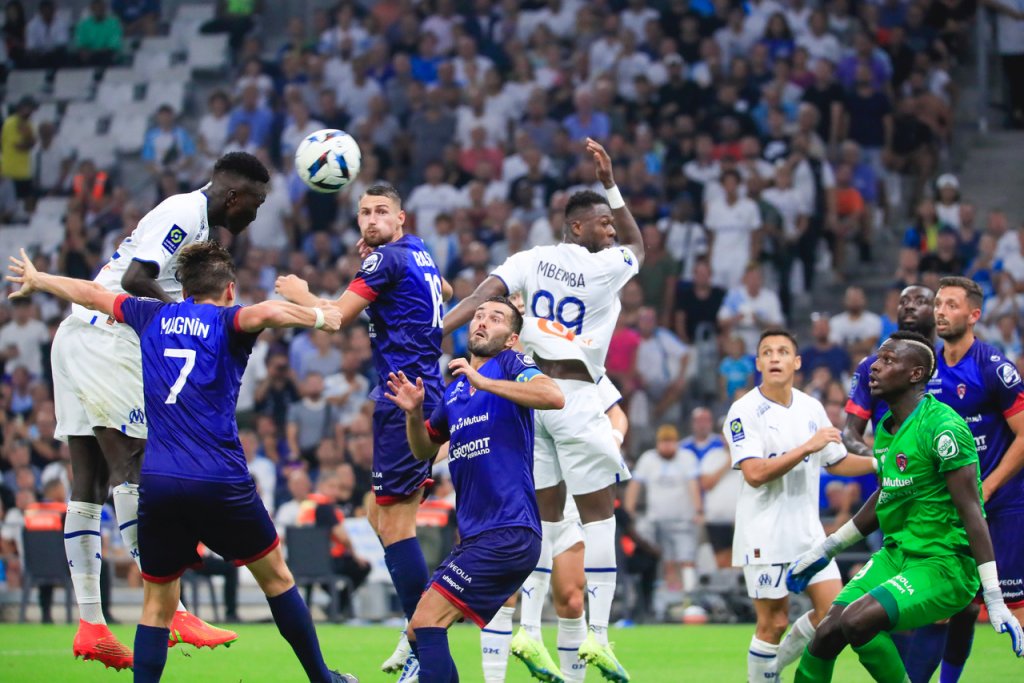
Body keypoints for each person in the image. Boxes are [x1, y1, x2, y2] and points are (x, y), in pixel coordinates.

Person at [7, 242, 357, 683]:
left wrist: (40, 280)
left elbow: (92, 294)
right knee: (278, 580)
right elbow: (268, 312)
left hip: (160, 481)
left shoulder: (149, 314)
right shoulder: (231, 319)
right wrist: (321, 315)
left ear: (185, 289)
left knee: (156, 605)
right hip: (219, 478)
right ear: (229, 289)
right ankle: (324, 680)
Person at [50, 151, 269, 669]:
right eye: (255, 204)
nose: (255, 216)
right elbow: (134, 278)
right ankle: (174, 611)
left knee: (88, 483)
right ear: (234, 196)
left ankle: (91, 624)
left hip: (78, 335)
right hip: (108, 339)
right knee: (133, 464)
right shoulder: (183, 214)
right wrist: (182, 319)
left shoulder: (196, 225)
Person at [444, 137, 644, 682]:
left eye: (609, 223)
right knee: (600, 516)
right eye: (601, 223)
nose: (609, 230)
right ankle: (599, 638)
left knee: (547, 519)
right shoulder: (605, 270)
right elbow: (640, 247)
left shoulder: (529, 260)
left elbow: (480, 297)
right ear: (578, 227)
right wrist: (610, 181)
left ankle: (530, 627)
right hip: (574, 397)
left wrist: (435, 332)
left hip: (531, 395)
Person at [275, 183, 452, 679]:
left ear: (401, 218)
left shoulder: (386, 261)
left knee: (395, 526)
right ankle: (422, 624)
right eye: (364, 213)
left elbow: (332, 320)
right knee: (378, 513)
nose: (371, 220)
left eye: (381, 213)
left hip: (404, 399)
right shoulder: (418, 253)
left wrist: (300, 295)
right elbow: (446, 291)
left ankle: (423, 639)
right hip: (410, 392)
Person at [788, 331, 1024, 682]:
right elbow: (887, 494)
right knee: (827, 632)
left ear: (915, 374)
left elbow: (972, 511)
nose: (874, 368)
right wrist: (827, 549)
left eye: (886, 360)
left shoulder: (944, 429)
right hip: (897, 555)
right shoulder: (886, 427)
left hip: (944, 564)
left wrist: (993, 595)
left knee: (856, 621)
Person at [384, 297, 564, 683]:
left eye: (495, 318)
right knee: (419, 628)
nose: (482, 321)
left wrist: (484, 381)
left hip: (509, 530)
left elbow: (554, 396)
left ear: (512, 338)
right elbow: (424, 449)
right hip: (475, 537)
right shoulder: (454, 391)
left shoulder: (512, 365)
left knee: (428, 621)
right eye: (479, 315)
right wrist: (414, 415)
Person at [724, 328, 877, 682]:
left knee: (833, 616)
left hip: (808, 533)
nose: (774, 358)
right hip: (764, 533)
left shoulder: (811, 407)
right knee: (773, 622)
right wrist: (807, 447)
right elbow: (755, 473)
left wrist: (880, 463)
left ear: (797, 362)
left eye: (782, 351)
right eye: (767, 352)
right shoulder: (744, 410)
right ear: (758, 362)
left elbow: (836, 460)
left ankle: (771, 671)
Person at [895, 277, 1024, 682]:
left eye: (951, 304)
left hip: (1002, 505)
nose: (940, 311)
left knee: (1016, 608)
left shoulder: (993, 366)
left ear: (973, 315)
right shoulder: (927, 368)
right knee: (944, 608)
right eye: (938, 304)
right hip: (953, 508)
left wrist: (989, 486)